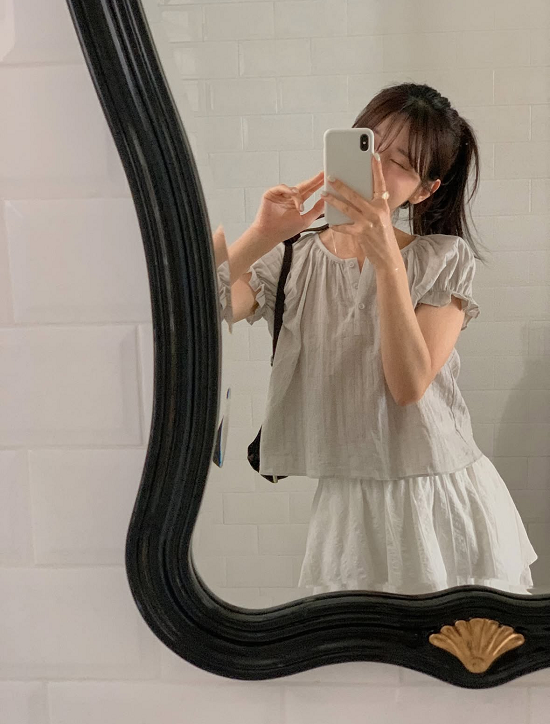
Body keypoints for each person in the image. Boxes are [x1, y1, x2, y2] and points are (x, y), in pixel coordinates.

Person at [214, 82, 538, 596]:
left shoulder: (443, 259)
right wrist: (262, 235)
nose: (375, 168)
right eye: (368, 145)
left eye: (400, 163)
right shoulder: (292, 258)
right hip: (345, 505)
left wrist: (387, 260)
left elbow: (408, 386)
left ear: (425, 190)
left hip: (439, 497)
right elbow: (195, 309)